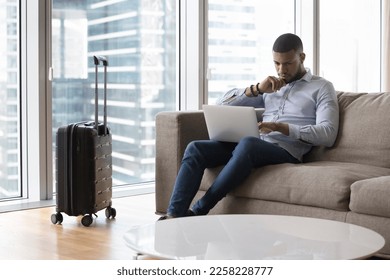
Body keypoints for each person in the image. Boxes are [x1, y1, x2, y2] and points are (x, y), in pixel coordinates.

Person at [159, 33, 339, 220]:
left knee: (248, 144)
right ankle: (174, 215)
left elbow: (328, 134)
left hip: (287, 151)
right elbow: (220, 104)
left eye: (287, 63)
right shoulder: (272, 85)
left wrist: (281, 127)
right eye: (276, 63)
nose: (281, 70)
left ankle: (199, 210)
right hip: (254, 145)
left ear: (302, 57)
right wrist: (256, 89)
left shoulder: (322, 87)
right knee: (196, 148)